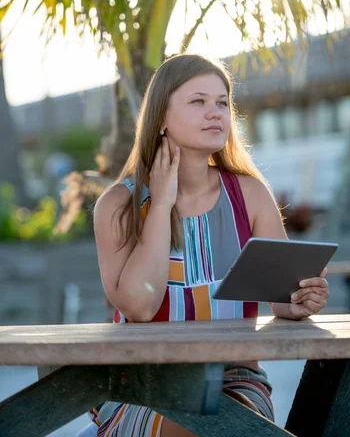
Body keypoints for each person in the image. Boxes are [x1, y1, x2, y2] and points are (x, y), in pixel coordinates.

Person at [79, 53, 329, 437]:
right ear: (161, 117)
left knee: (221, 422)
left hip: (235, 378)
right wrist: (161, 203)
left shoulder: (250, 195)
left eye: (222, 103)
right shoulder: (119, 205)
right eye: (198, 101)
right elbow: (141, 307)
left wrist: (301, 300)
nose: (215, 113)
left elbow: (280, 298)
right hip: (143, 384)